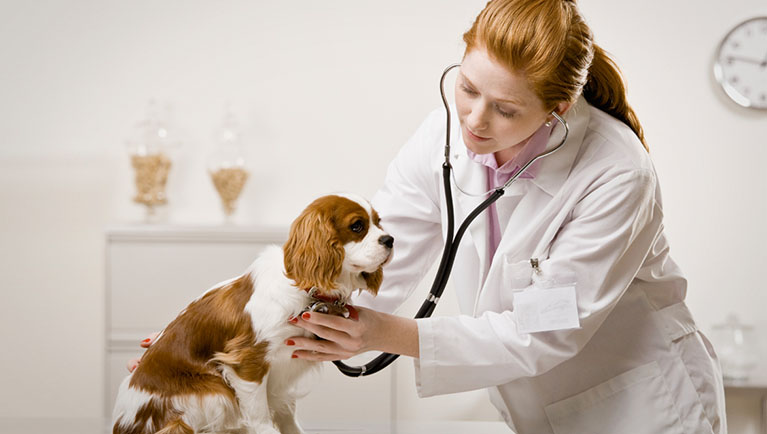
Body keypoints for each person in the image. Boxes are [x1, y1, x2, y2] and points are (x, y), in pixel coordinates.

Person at [132, 1, 727, 432]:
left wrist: (384, 333)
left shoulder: (617, 173)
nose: (473, 119)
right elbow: (377, 260)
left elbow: (545, 330)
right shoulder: (446, 135)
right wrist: (200, 349)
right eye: (466, 87)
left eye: (505, 109)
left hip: (641, 404)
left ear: (558, 109)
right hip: (535, 406)